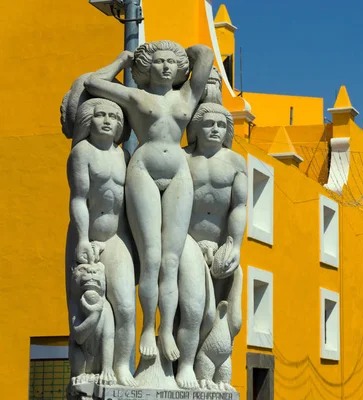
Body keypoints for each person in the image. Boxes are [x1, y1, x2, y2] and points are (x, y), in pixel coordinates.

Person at [84, 41, 214, 361]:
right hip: (142, 170)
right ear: (147, 67)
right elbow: (90, 83)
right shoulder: (135, 96)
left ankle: (165, 329)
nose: (166, 67)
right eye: (159, 61)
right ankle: (146, 327)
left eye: (172, 62)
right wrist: (121, 61)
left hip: (178, 175)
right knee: (152, 257)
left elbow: (206, 56)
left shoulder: (188, 95)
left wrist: (185, 52)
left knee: (171, 259)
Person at [65, 98, 137, 386]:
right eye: (100, 115)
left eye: (113, 116)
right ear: (88, 120)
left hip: (117, 240)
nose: (107, 121)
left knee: (126, 309)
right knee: (83, 309)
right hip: (87, 237)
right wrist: (83, 239)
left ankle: (121, 366)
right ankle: (85, 370)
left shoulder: (123, 156)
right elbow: (79, 198)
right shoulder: (82, 153)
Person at [178, 102, 246, 390]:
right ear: (196, 128)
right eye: (209, 124)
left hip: (221, 250)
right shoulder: (181, 159)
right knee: (191, 310)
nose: (216, 129)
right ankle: (183, 368)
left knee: (224, 317)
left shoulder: (235, 162)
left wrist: (234, 245)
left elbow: (239, 206)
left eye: (221, 124)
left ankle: (213, 372)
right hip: (186, 245)